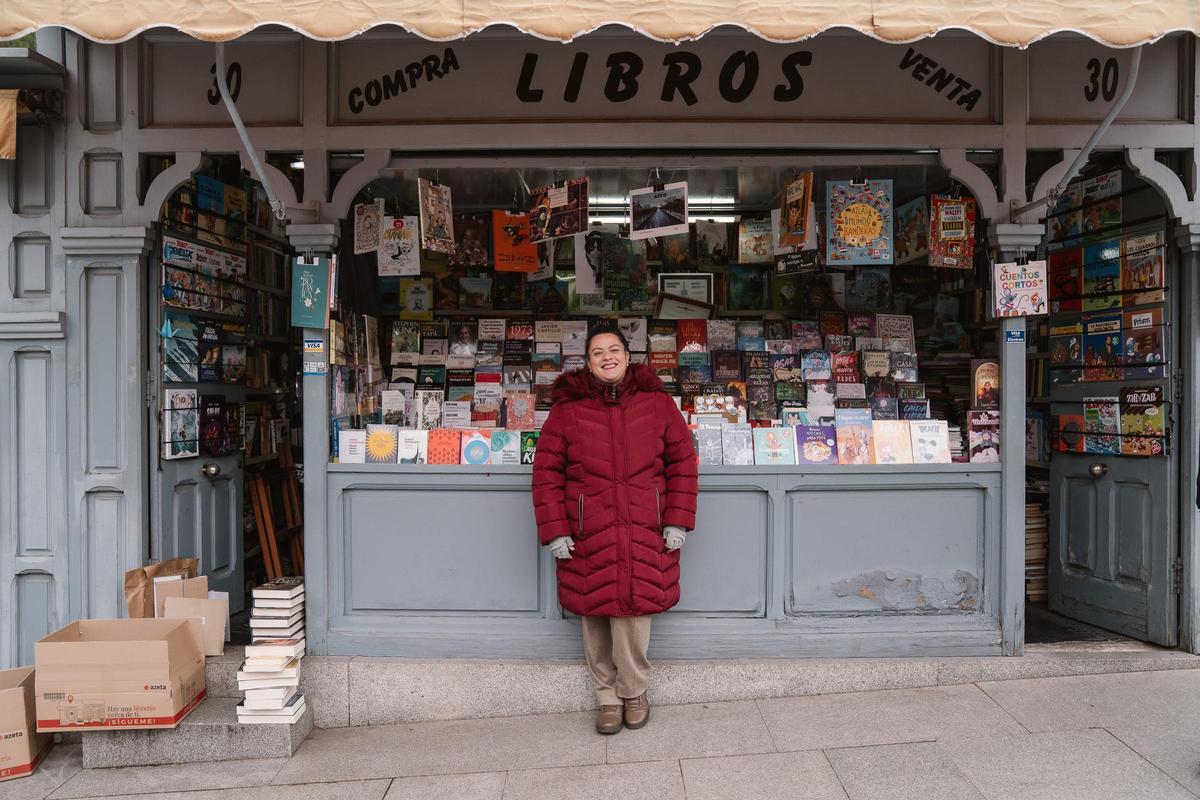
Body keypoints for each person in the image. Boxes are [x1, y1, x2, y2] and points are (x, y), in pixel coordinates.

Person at [532, 328, 698, 735]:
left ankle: (634, 691)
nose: (607, 358)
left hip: (646, 525)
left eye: (614, 350)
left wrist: (677, 519)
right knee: (594, 613)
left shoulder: (658, 405)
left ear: (628, 355)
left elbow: (683, 464)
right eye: (597, 353)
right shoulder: (567, 411)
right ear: (587, 362)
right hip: (589, 529)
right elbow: (546, 473)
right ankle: (606, 696)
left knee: (635, 611)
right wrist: (555, 531)